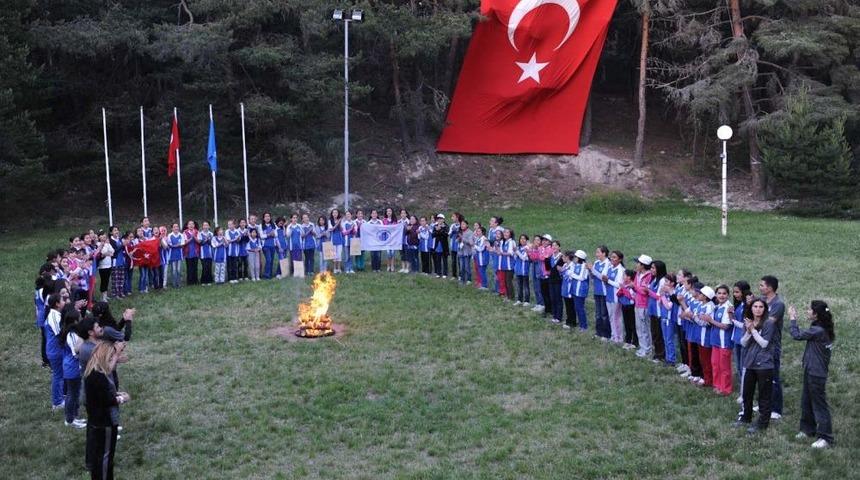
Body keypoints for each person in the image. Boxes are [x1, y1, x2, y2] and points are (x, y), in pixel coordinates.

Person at [789, 301, 835, 448]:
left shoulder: (818, 331)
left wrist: (792, 318)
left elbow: (796, 335)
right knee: (806, 401)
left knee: (819, 405)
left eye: (809, 310)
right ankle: (807, 429)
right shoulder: (819, 328)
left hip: (816, 374)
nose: (807, 311)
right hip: (811, 371)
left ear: (816, 314)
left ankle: (826, 437)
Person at [84, 341, 131, 480]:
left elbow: (100, 396)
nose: (112, 360)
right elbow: (106, 400)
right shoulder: (99, 376)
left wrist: (115, 394)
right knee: (105, 458)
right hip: (105, 423)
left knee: (99, 458)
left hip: (96, 421)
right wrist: (123, 398)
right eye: (110, 357)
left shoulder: (92, 371)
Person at [735, 298, 776, 434]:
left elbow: (764, 343)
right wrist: (748, 330)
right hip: (749, 362)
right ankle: (746, 417)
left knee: (764, 395)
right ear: (751, 308)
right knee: (747, 393)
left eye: (761, 307)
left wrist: (753, 330)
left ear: (765, 309)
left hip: (764, 364)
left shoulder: (769, 323)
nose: (758, 309)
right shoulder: (748, 322)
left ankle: (763, 423)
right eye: (755, 306)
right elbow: (743, 343)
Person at [759, 275, 785, 419]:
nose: (760, 288)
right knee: (761, 376)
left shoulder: (778, 304)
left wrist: (756, 317)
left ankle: (776, 409)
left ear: (769, 288)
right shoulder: (761, 300)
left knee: (773, 377)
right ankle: (764, 404)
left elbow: (769, 322)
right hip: (759, 342)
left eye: (762, 285)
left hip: (772, 345)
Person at [60, 307, 86, 428]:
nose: (81, 318)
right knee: (72, 394)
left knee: (74, 393)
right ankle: (69, 419)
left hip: (72, 367)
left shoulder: (72, 333)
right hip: (72, 367)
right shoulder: (72, 335)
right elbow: (76, 352)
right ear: (75, 321)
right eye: (79, 317)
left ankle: (73, 416)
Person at [707, 285, 734, 395]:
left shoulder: (729, 308)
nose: (721, 295)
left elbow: (726, 326)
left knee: (724, 366)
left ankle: (726, 388)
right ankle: (717, 385)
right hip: (715, 341)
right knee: (715, 364)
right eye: (719, 293)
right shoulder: (717, 306)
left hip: (724, 342)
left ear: (728, 295)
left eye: (724, 293)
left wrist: (710, 321)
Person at [44, 293, 67, 411]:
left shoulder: (57, 314)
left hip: (58, 350)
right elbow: (61, 334)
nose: (65, 301)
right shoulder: (54, 316)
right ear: (57, 304)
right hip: (55, 351)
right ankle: (57, 402)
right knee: (58, 375)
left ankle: (61, 396)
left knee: (61, 375)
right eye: (63, 300)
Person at [632, 255, 653, 358]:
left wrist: (634, 287)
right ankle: (642, 347)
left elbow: (645, 292)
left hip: (644, 305)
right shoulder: (638, 274)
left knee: (645, 327)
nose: (636, 265)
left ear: (643, 265)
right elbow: (637, 288)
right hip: (637, 303)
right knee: (639, 327)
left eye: (638, 263)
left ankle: (647, 349)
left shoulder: (649, 276)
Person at [589, 246, 611, 340]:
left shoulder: (608, 263)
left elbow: (603, 277)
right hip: (597, 291)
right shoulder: (597, 263)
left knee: (604, 314)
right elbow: (593, 276)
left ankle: (606, 334)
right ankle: (598, 332)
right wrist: (589, 271)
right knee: (598, 313)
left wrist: (592, 270)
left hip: (604, 292)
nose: (596, 254)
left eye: (598, 252)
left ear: (604, 253)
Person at [603, 251, 625, 344]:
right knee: (611, 317)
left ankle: (619, 338)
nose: (612, 259)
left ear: (620, 259)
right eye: (611, 257)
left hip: (616, 297)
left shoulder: (621, 270)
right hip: (609, 295)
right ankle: (613, 335)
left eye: (614, 257)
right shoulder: (610, 267)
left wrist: (608, 281)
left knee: (617, 317)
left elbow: (620, 285)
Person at [617, 269, 637, 349]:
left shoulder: (632, 286)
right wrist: (621, 290)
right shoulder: (624, 284)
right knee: (626, 324)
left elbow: (631, 296)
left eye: (624, 276)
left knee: (632, 324)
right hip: (624, 306)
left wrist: (624, 289)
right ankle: (627, 340)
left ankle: (634, 342)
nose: (623, 277)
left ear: (629, 277)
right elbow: (618, 293)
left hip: (631, 307)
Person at [496, 228, 515, 299]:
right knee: (505, 281)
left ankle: (511, 296)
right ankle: (507, 295)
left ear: (510, 234)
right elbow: (498, 251)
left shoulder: (511, 242)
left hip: (509, 265)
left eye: (507, 232)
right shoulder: (502, 241)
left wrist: (501, 253)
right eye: (504, 232)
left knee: (508, 281)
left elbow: (510, 253)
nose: (505, 234)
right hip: (503, 265)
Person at [165, 223, 184, 288]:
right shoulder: (170, 235)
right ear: (172, 228)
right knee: (173, 270)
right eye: (174, 227)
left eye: (177, 226)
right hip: (172, 255)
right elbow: (170, 245)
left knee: (178, 270)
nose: (176, 228)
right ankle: (174, 284)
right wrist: (177, 245)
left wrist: (175, 245)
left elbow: (182, 244)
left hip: (179, 255)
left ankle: (178, 283)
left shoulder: (181, 235)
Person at [514, 234, 530, 305]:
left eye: (524, 239)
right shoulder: (519, 248)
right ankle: (519, 299)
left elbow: (524, 258)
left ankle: (527, 301)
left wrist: (517, 252)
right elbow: (515, 257)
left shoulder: (527, 248)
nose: (522, 240)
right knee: (519, 285)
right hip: (518, 269)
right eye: (521, 239)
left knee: (525, 286)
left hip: (524, 270)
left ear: (527, 240)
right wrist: (515, 252)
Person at [260, 212, 278, 279]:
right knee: (268, 260)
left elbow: (276, 235)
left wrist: (273, 234)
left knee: (272, 260)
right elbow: (261, 236)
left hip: (273, 245)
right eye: (266, 216)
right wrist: (269, 234)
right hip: (265, 246)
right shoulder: (261, 226)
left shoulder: (274, 225)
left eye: (268, 216)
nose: (267, 217)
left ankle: (270, 274)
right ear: (263, 218)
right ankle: (266, 275)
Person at [183, 220, 199, 285]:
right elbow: (184, 242)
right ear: (187, 226)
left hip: (195, 252)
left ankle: (195, 280)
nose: (191, 225)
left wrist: (194, 237)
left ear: (194, 225)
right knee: (189, 267)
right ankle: (189, 281)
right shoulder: (185, 232)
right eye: (189, 224)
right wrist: (191, 238)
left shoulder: (197, 232)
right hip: (188, 252)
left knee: (195, 267)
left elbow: (199, 241)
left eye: (192, 224)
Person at [328, 209, 344, 274]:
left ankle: (339, 268)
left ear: (338, 214)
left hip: (339, 239)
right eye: (333, 213)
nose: (335, 214)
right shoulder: (330, 221)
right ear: (332, 214)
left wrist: (339, 223)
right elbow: (331, 229)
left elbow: (342, 229)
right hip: (333, 239)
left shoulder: (340, 221)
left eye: (336, 213)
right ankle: (334, 268)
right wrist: (337, 223)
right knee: (334, 254)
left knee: (339, 254)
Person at [457, 220, 473, 285]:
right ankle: (462, 279)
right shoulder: (460, 232)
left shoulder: (470, 232)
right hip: (461, 252)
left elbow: (470, 242)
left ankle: (469, 279)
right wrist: (458, 239)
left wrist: (462, 238)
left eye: (463, 224)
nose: (462, 225)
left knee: (467, 267)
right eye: (461, 224)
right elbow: (458, 240)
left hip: (467, 252)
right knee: (461, 267)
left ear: (467, 225)